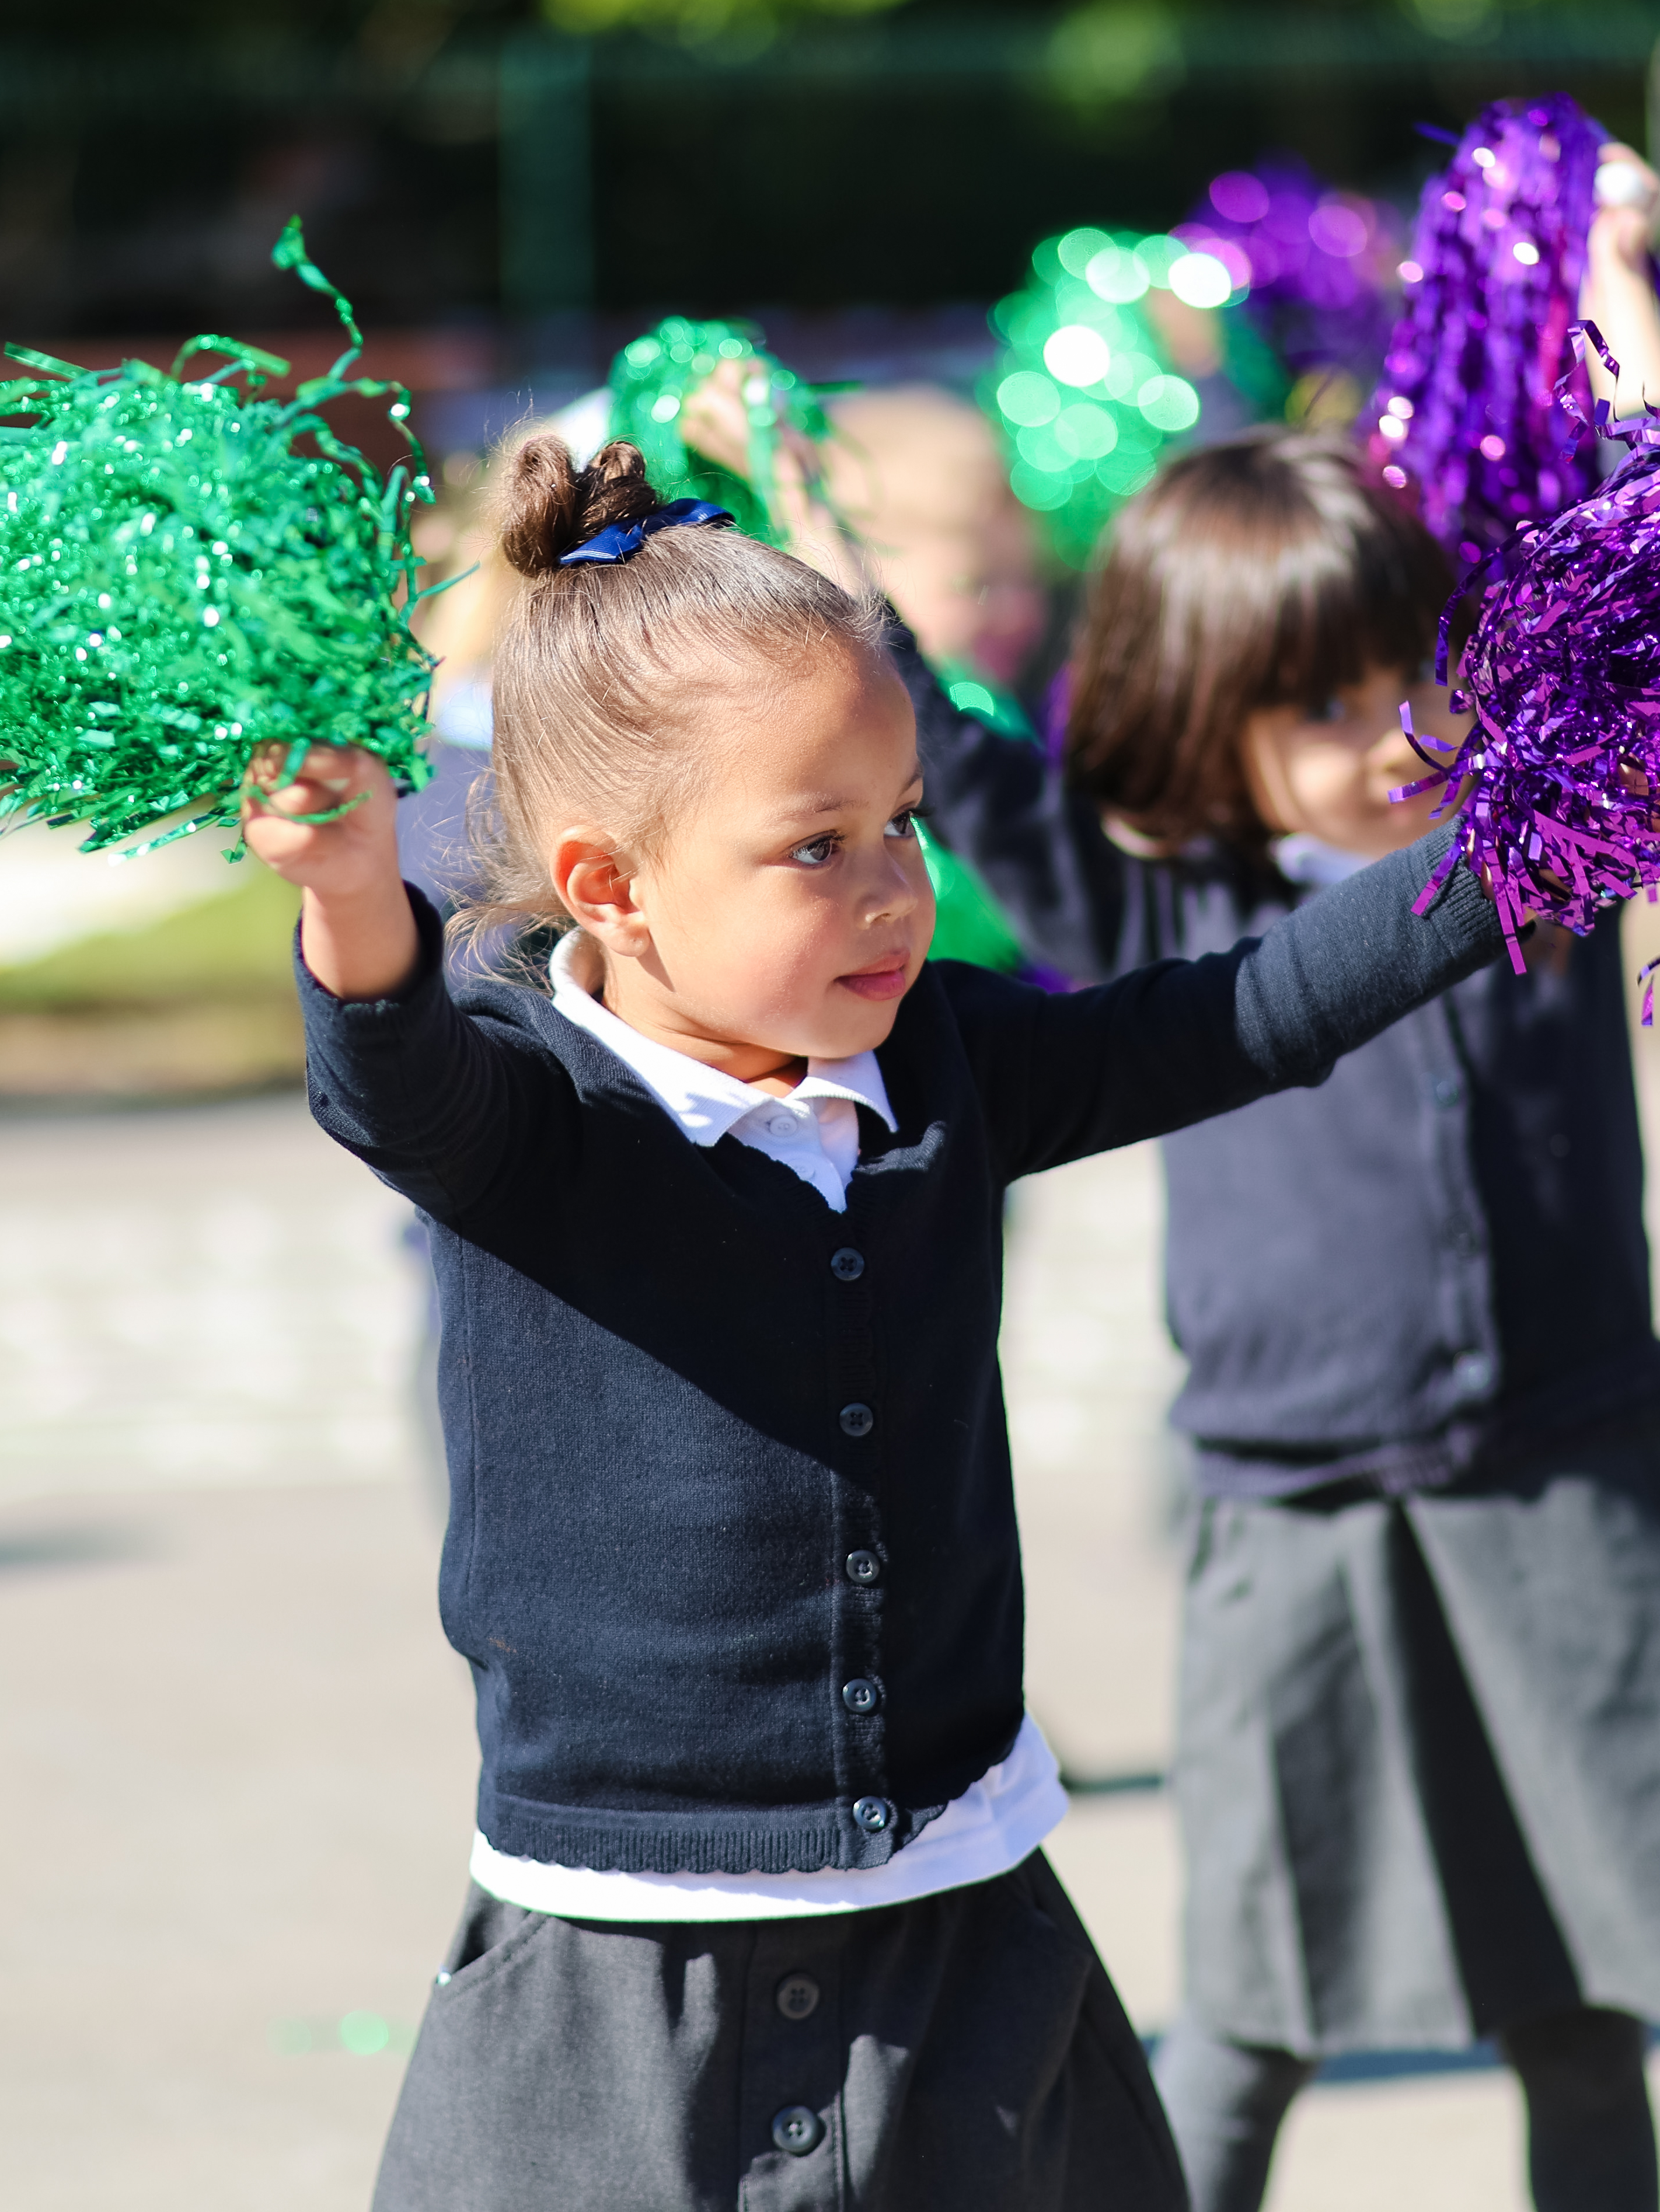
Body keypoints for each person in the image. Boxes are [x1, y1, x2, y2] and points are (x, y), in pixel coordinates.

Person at [241, 430, 1518, 2211]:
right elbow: (394, 1083)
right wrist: (351, 894)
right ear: (611, 889)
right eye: (817, 846)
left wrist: (1529, 847)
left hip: (959, 1915)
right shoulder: (532, 1108)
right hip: (632, 1950)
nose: (894, 885)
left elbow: (1248, 1015)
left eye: (903, 821)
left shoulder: (943, 1063)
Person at [880, 417, 1660, 2212]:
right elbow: (959, 758)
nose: (1398, 736)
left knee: (1581, 2005)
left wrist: (1624, 276)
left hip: (1569, 1477)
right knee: (1255, 2016)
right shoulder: (1157, 906)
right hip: (1299, 1512)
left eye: (1419, 679)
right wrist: (806, 543)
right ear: (1204, 716)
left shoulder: (1542, 854)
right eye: (1323, 709)